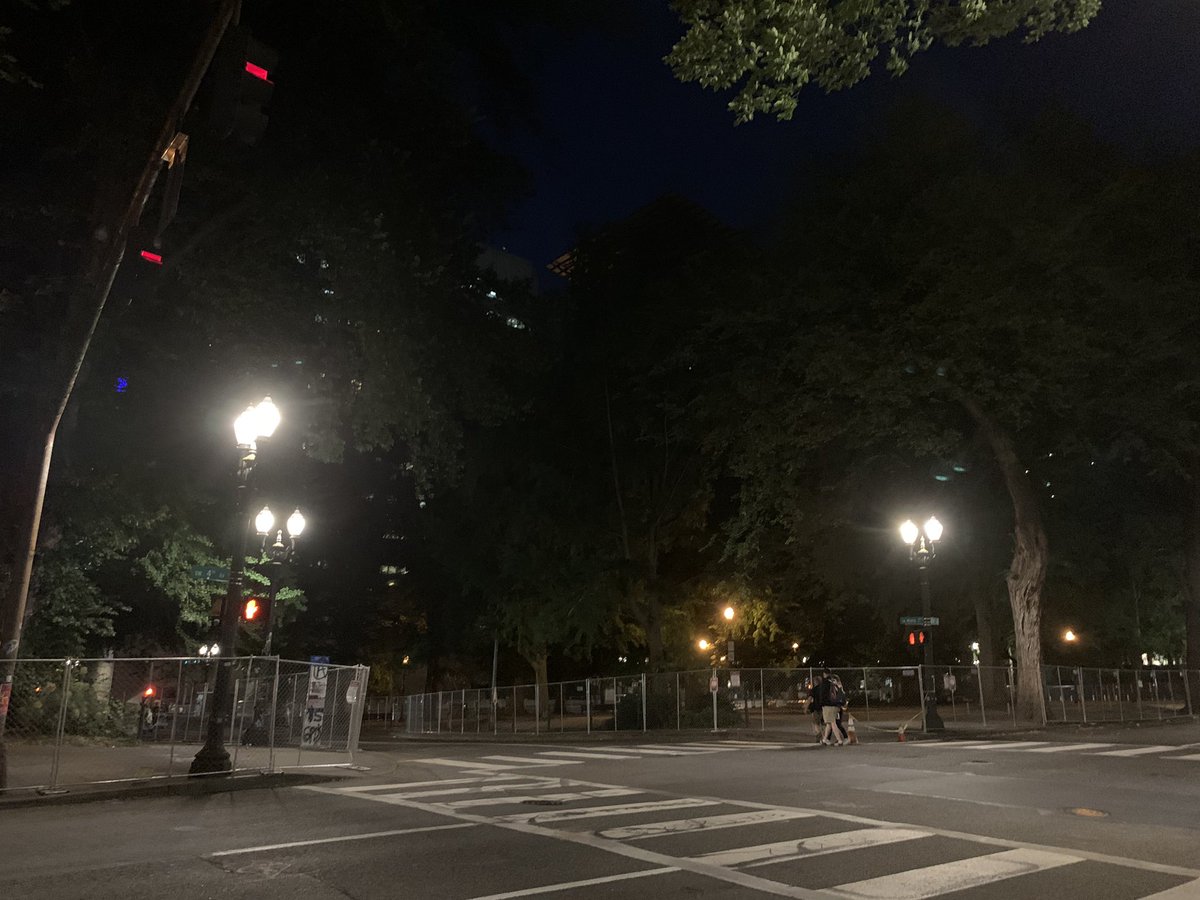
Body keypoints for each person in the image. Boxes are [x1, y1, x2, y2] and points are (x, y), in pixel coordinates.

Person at [820, 672, 847, 746]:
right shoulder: (838, 686)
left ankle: (839, 740)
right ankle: (825, 739)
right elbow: (842, 696)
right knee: (829, 723)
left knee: (832, 722)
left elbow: (827, 696)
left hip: (830, 706)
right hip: (835, 706)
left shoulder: (832, 686)